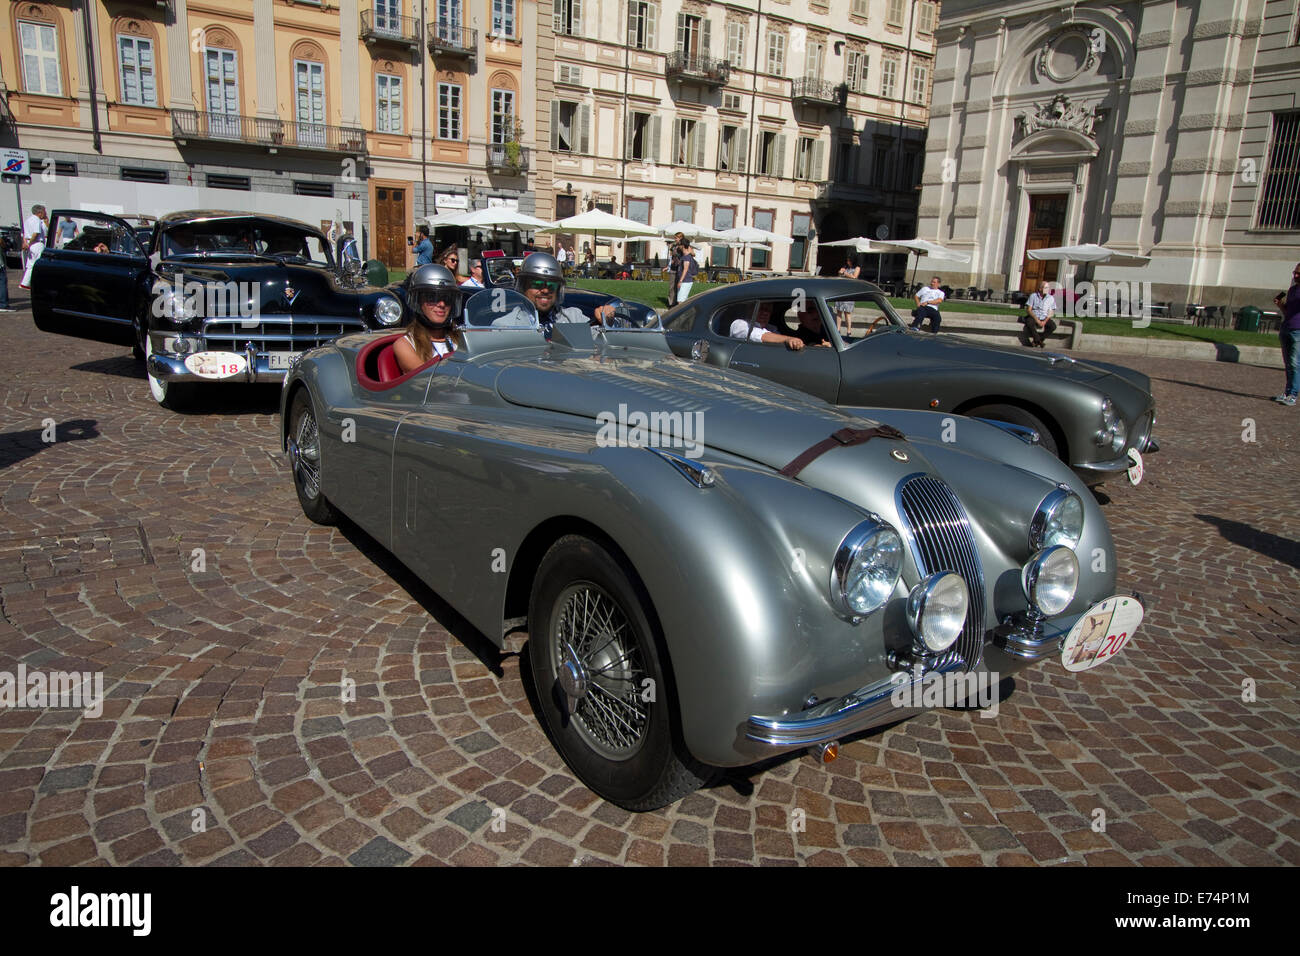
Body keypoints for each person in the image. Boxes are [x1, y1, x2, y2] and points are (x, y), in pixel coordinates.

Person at [517, 252, 613, 334]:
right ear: (523, 286)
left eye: (552, 285)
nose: (545, 290)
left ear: (558, 288)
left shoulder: (573, 318)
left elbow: (599, 340)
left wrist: (606, 321)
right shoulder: (507, 323)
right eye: (537, 284)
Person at [394, 264, 461, 374]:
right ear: (418, 302)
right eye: (432, 298)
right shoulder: (405, 344)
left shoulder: (460, 339)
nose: (442, 304)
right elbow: (427, 379)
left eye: (447, 298)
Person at [1274, 264, 1300, 405]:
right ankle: (1287, 392)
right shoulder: (1292, 290)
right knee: (1288, 364)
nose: (1295, 276)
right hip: (1287, 328)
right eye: (1294, 273)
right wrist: (1280, 305)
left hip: (1298, 331)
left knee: (1296, 363)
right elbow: (1288, 312)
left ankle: (1293, 395)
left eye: (1298, 274)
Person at [730, 302, 806, 350]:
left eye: (768, 310)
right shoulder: (739, 324)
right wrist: (789, 339)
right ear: (750, 309)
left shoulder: (772, 328)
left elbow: (780, 344)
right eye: (761, 308)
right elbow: (757, 335)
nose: (765, 313)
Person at [19, 204, 48, 290]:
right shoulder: (37, 220)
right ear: (40, 212)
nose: (45, 213)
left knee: (30, 264)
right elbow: (36, 233)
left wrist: (26, 243)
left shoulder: (28, 220)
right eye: (44, 211)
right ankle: (31, 282)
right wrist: (29, 243)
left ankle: (25, 283)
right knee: (37, 264)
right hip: (37, 243)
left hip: (30, 243)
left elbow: (24, 234)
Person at [1023, 279, 1058, 348]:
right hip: (1034, 316)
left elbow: (1051, 312)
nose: (1047, 289)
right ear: (1040, 289)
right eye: (1045, 287)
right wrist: (1037, 320)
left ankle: (1037, 340)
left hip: (1044, 316)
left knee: (1053, 326)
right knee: (1029, 322)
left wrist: (1044, 321)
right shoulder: (1033, 296)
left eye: (1048, 288)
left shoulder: (1051, 298)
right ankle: (1039, 341)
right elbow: (1029, 310)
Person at [836, 255, 861, 334]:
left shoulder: (857, 268)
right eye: (847, 260)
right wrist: (840, 272)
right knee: (839, 311)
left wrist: (845, 273)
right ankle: (838, 329)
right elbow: (840, 276)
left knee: (847, 312)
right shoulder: (845, 268)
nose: (847, 262)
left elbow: (854, 277)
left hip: (849, 291)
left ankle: (849, 331)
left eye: (849, 260)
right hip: (841, 290)